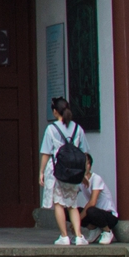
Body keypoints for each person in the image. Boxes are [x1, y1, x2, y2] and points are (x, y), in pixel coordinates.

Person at [38, 97, 90, 245]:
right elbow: (84, 153)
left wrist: (41, 172)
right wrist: (84, 173)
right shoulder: (77, 128)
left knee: (59, 203)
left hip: (57, 170)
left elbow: (46, 153)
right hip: (74, 171)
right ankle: (79, 236)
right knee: (72, 204)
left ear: (55, 112)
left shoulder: (51, 129)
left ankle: (64, 236)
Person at [81, 156, 117, 244]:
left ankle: (107, 231)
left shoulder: (96, 178)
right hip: (95, 216)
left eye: (85, 164)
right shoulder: (81, 182)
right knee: (72, 210)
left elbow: (92, 202)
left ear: (89, 165)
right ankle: (94, 230)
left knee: (90, 210)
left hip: (109, 216)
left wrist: (77, 220)